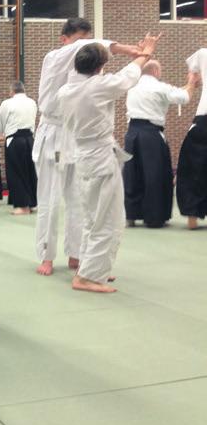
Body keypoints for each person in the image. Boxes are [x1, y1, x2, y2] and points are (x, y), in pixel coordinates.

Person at [33, 17, 142, 276]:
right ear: (64, 39)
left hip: (76, 136)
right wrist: (125, 49)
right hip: (52, 133)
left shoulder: (88, 73)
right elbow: (84, 48)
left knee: (79, 199)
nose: (84, 46)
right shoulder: (54, 57)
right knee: (50, 199)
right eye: (80, 40)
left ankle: (77, 255)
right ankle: (46, 256)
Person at [57, 33, 161, 293]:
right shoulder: (96, 87)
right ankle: (88, 277)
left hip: (84, 157)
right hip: (99, 158)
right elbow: (128, 76)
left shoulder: (66, 90)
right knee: (109, 218)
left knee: (93, 218)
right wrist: (145, 53)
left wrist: (141, 55)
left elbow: (123, 76)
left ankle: (91, 268)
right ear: (99, 67)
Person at [124, 60, 198, 228]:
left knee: (132, 174)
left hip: (132, 133)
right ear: (156, 71)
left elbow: (175, 93)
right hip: (151, 134)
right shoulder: (160, 87)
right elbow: (184, 97)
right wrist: (192, 82)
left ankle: (131, 215)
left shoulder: (133, 88)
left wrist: (188, 86)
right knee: (155, 175)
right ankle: (154, 218)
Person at [0, 81, 37, 214]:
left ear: (12, 91)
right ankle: (32, 204)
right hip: (30, 139)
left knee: (16, 173)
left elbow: (1, 123)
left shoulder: (7, 103)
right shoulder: (32, 102)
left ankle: (22, 206)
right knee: (30, 172)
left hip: (15, 140)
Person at [177, 48, 207, 230]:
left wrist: (192, 83)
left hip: (204, 118)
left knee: (193, 167)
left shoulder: (203, 53)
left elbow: (193, 74)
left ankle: (192, 217)